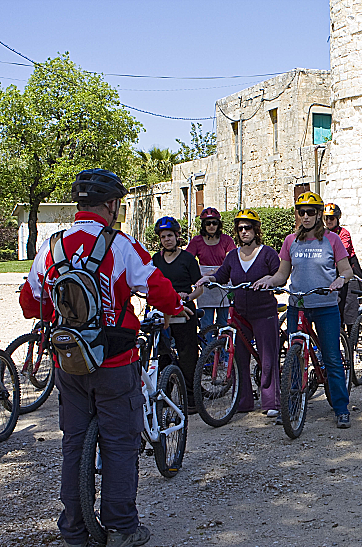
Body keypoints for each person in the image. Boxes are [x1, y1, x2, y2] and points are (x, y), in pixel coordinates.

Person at [19, 169, 190, 547]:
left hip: (68, 363)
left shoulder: (51, 246)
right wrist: (177, 305)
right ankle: (122, 527)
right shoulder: (120, 244)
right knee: (119, 444)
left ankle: (74, 530)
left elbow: (30, 303)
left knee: (73, 444)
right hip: (115, 361)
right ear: (112, 205)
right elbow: (158, 289)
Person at [260, 192, 354, 429]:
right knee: (294, 359)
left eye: (311, 212)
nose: (306, 216)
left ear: (320, 214)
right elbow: (283, 274)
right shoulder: (291, 241)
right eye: (301, 212)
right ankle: (290, 406)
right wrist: (269, 281)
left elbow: (347, 270)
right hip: (298, 306)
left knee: (332, 358)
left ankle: (341, 408)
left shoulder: (332, 240)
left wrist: (340, 281)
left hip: (325, 306)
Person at [196, 209, 282, 417]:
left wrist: (269, 282)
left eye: (248, 228)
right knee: (240, 357)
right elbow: (223, 276)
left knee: (268, 356)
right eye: (240, 228)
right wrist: (210, 279)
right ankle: (243, 400)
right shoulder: (232, 256)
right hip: (240, 313)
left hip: (263, 311)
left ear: (256, 230)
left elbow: (279, 276)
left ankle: (271, 401)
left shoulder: (267, 253)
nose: (244, 232)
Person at [151, 216, 203, 406]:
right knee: (162, 354)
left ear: (177, 236)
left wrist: (187, 298)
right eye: (163, 236)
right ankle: (165, 396)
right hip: (163, 310)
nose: (167, 239)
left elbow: (199, 288)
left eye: (170, 236)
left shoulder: (188, 259)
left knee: (187, 354)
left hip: (184, 309)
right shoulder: (156, 259)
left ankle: (191, 398)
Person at [186, 208, 236, 342]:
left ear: (219, 224)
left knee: (224, 322)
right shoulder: (196, 241)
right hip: (205, 285)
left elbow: (232, 260)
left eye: (214, 223)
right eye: (208, 223)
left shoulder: (227, 240)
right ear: (203, 225)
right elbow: (188, 260)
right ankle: (207, 355)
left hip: (223, 281)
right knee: (206, 322)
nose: (211, 226)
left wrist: (214, 272)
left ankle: (225, 356)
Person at [324, 202, 362, 329]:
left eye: (331, 218)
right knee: (336, 303)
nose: (328, 221)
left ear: (337, 219)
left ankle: (351, 337)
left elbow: (342, 252)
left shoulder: (343, 233)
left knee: (350, 304)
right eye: (326, 218)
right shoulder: (323, 234)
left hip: (349, 267)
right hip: (332, 268)